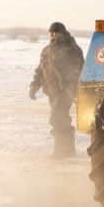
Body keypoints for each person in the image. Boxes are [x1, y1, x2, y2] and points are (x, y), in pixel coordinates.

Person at [29, 22, 84, 160]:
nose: (53, 35)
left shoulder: (72, 49)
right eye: (51, 33)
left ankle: (59, 150)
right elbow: (41, 70)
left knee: (57, 117)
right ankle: (69, 150)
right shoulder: (47, 50)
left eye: (55, 32)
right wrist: (34, 86)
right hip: (51, 90)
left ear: (62, 33)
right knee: (62, 118)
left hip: (65, 90)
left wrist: (68, 79)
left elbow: (78, 68)